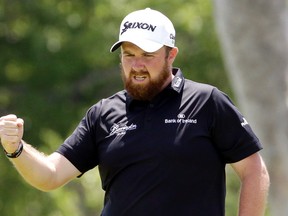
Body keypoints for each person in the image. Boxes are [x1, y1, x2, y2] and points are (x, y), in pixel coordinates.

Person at [0, 8, 270, 216]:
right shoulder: (103, 114)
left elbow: (254, 171)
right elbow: (50, 176)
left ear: (171, 54)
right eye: (129, 54)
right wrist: (16, 148)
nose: (137, 65)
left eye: (148, 54)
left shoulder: (207, 102)